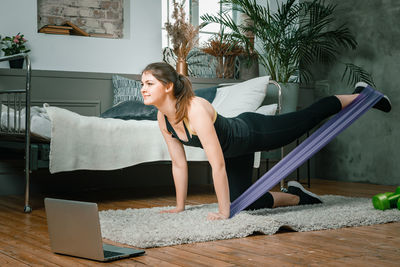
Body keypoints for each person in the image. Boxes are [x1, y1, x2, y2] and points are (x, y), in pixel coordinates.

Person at [140, 62, 391, 220]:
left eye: (149, 83)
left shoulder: (195, 109)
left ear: (169, 86)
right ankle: (296, 196)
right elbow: (179, 165)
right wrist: (179, 207)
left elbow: (216, 165)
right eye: (142, 84)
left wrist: (223, 211)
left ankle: (360, 95)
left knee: (305, 119)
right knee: (246, 204)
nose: (143, 88)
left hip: (251, 132)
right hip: (235, 152)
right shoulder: (163, 119)